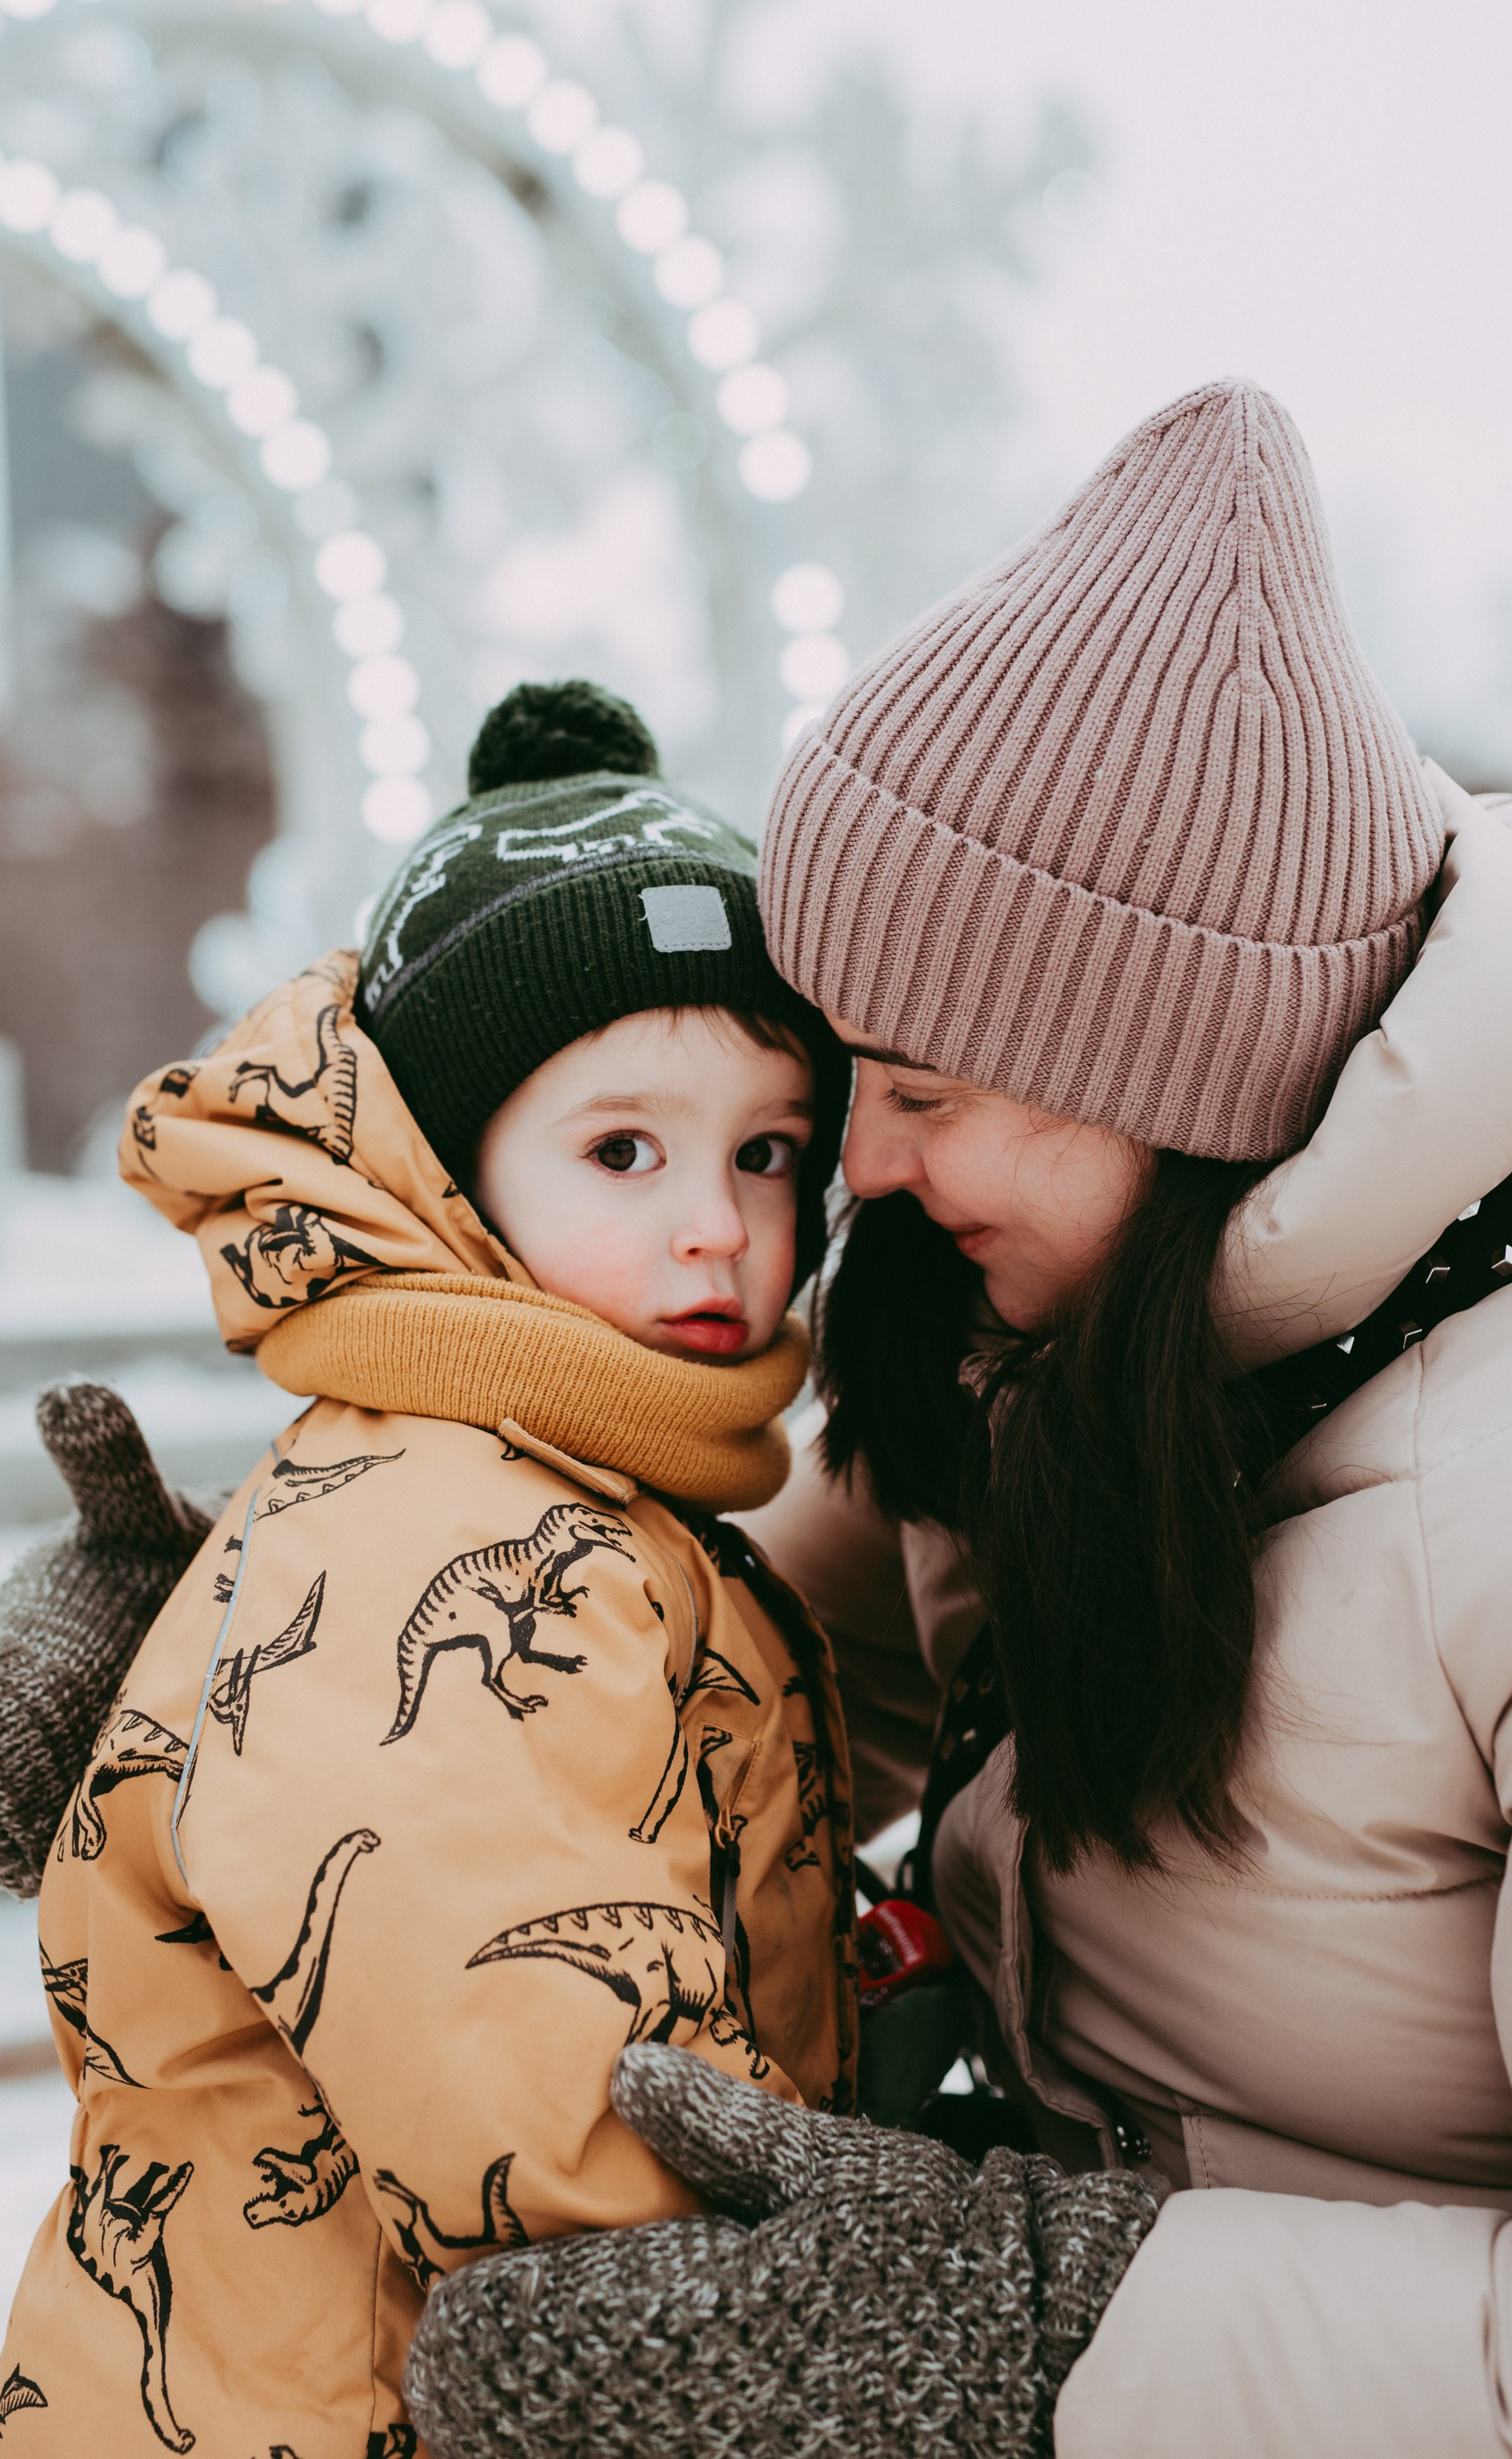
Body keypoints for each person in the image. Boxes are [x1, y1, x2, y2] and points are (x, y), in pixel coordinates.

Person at [398, 381, 1512, 2459]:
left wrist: (1036, 2327)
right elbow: (692, 1690)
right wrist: (232, 1690)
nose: (868, 1176)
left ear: (1185, 1076)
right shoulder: (1030, 1349)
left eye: (920, 1092)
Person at [0, 681, 877, 2456]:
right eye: (624, 1150)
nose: (720, 1221)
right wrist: (810, 2334)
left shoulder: (584, 1487)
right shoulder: (452, 1518)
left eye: (770, 1151)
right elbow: (546, 2111)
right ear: (450, 1180)